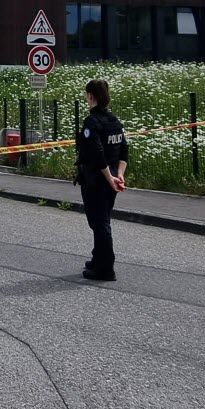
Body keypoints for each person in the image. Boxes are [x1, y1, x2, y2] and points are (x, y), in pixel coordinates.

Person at [75, 78, 128, 281]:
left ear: (91, 96)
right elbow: (124, 150)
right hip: (112, 179)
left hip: (96, 180)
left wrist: (108, 177)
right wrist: (119, 175)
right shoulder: (115, 121)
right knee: (102, 220)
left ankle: (105, 268)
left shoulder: (92, 122)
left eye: (86, 95)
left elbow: (97, 153)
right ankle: (98, 258)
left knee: (99, 223)